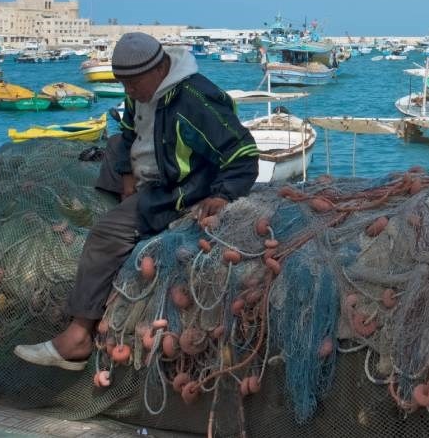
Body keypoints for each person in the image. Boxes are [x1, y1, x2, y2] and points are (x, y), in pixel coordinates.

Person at [14, 32, 259, 370]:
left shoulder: (195, 100)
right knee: (115, 146)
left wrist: (222, 195)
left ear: (158, 70)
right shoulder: (140, 89)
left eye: (133, 84)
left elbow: (243, 153)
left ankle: (78, 337)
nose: (129, 91)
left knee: (104, 234)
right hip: (148, 169)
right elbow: (130, 129)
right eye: (123, 84)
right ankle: (128, 204)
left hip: (180, 187)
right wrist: (128, 174)